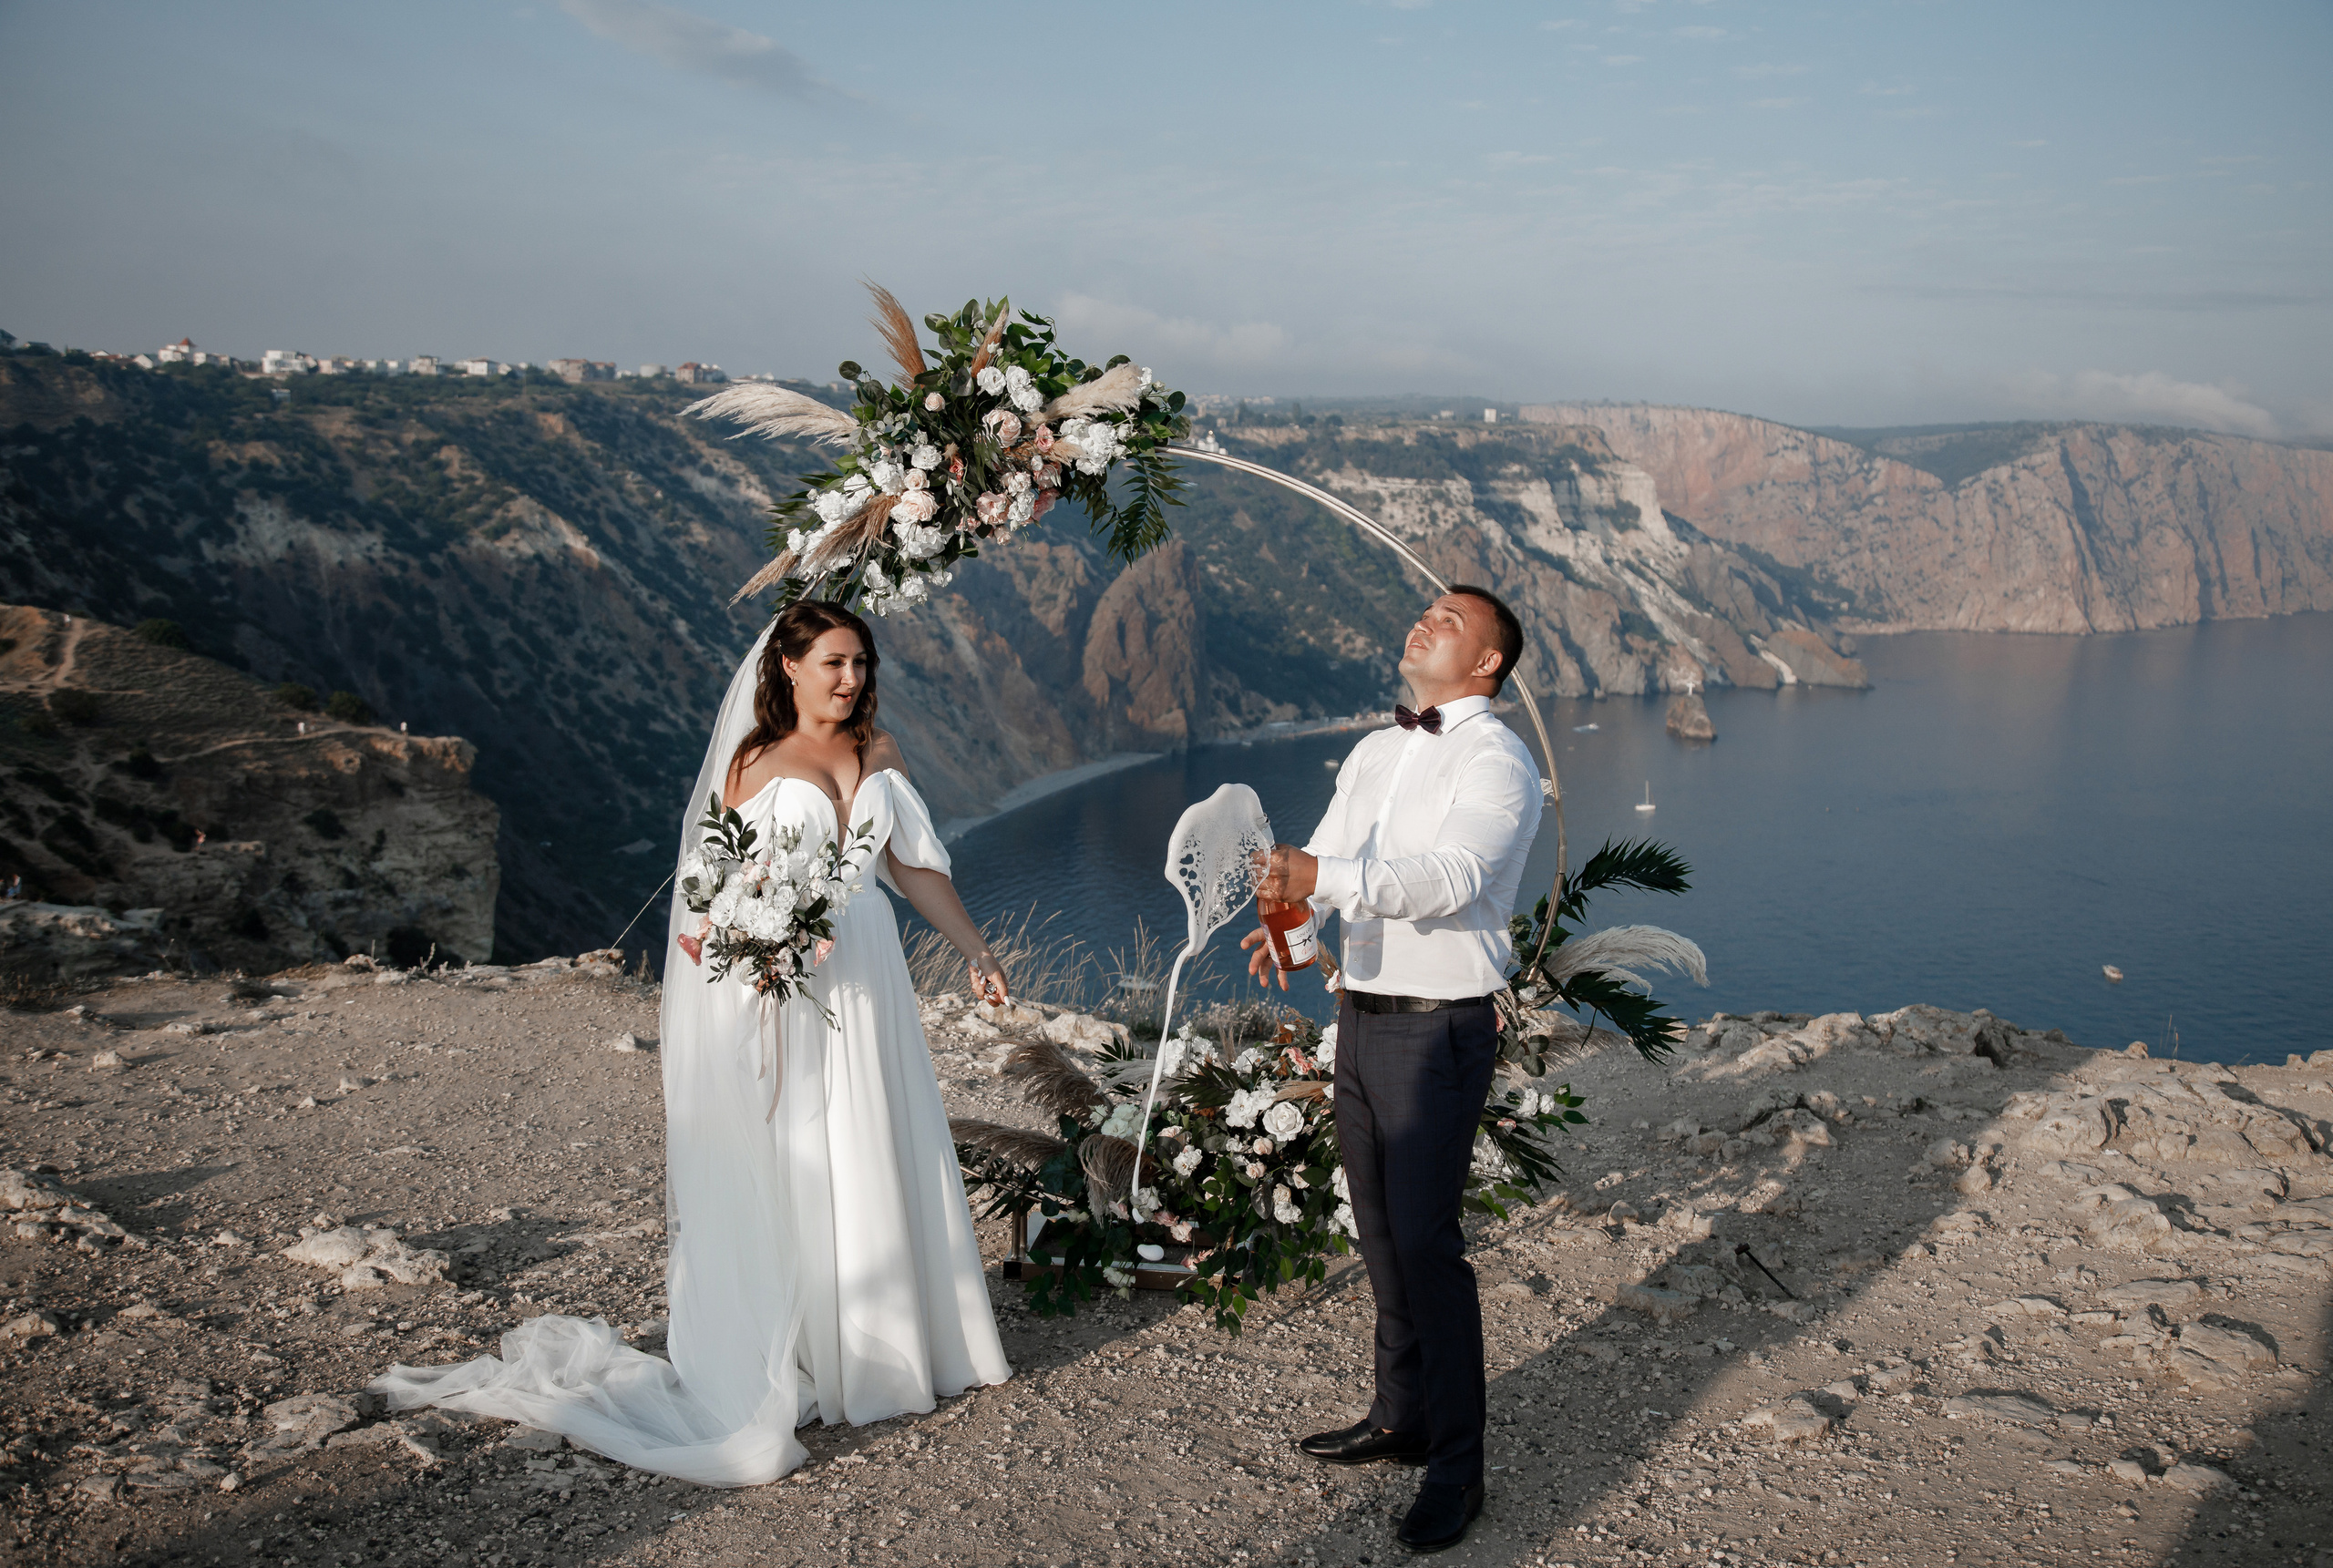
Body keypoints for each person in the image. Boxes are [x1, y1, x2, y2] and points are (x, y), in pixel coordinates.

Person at [372, 600, 1013, 1484]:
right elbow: (711, 893)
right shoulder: (751, 762)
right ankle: (812, 1356)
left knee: (876, 1141)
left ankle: (897, 1353)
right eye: (832, 662)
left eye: (860, 662)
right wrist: (753, 955)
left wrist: (974, 948)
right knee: (807, 1153)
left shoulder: (881, 751)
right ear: (787, 667)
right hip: (785, 987)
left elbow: (910, 867)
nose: (850, 679)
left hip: (870, 975)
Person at [1243, 585, 1542, 1555]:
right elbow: (1326, 861)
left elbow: (1452, 878)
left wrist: (1319, 879)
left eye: (1449, 620)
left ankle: (1458, 1465)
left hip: (1438, 1026)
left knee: (1424, 1243)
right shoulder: (1377, 749)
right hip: (1361, 1015)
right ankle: (1399, 1415)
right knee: (1377, 1234)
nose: (1424, 621)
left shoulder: (1497, 759)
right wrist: (1292, 924)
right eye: (1424, 610)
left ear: (1488, 662)